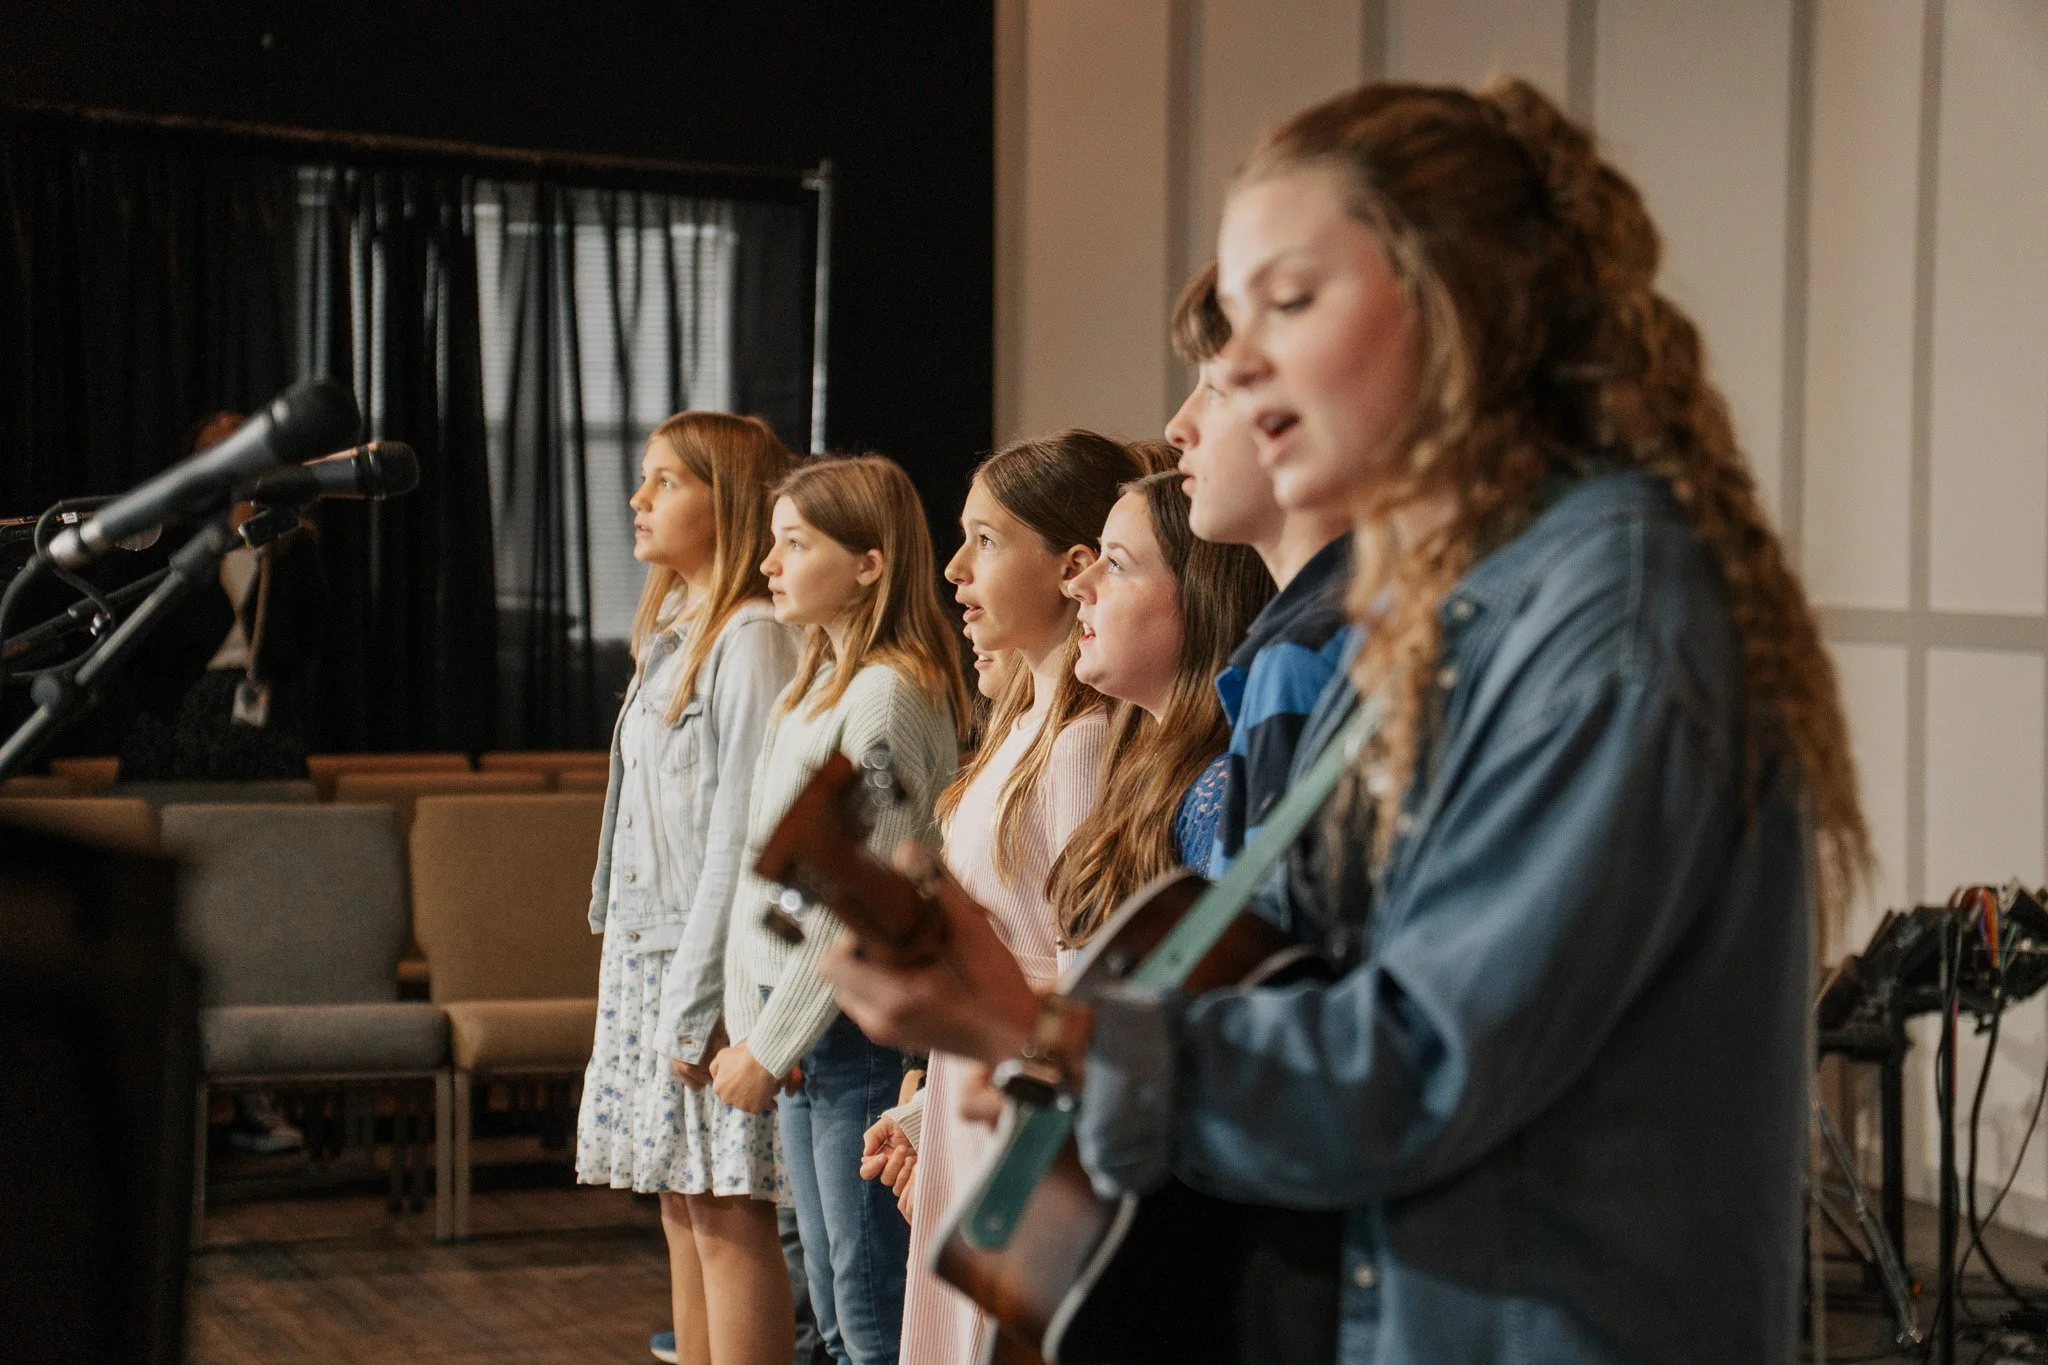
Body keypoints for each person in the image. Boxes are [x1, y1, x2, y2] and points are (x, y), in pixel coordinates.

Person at [820, 78, 1869, 1365]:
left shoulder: (1609, 622)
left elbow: (1418, 1066)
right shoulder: (1431, 621)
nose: (1234, 367)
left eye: (1291, 302)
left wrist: (1033, 1025)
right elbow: (1293, 973)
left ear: (1462, 305)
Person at [865, 431, 1138, 1365]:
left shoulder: (1083, 743)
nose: (954, 567)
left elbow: (1075, 964)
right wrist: (923, 1105)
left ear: (1071, 568)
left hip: (1023, 1101)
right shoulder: (1024, 726)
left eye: (985, 540)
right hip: (978, 1086)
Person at [715, 455, 970, 1365]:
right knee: (830, 1306)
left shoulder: (888, 693)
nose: (770, 565)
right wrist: (756, 1027)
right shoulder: (815, 686)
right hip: (807, 1034)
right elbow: (774, 879)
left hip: (854, 1033)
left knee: (869, 1316)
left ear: (869, 562)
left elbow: (857, 898)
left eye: (795, 544)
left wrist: (771, 1041)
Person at [575, 411, 800, 1365]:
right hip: (647, 947)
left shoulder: (750, 638)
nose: (639, 498)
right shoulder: (677, 629)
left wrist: (698, 996)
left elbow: (740, 840)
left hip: (702, 958)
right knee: (682, 1199)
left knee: (725, 1207)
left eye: (666, 481)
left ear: (730, 501)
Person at [1166, 265, 1353, 876]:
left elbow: (1265, 951)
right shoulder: (1293, 644)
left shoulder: (1302, 654)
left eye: (1215, 390)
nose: (1177, 427)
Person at [1043, 469, 1272, 951]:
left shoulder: (1222, 788)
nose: (1077, 584)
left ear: (1201, 598)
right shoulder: (1141, 766)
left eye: (1117, 564)